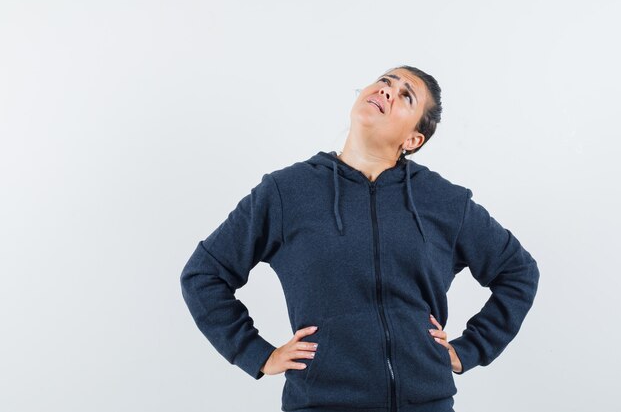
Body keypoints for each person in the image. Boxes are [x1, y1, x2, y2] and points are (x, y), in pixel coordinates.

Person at [180, 65, 540, 412]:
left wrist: (471, 349)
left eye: (405, 96)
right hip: (320, 402)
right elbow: (204, 275)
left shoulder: (444, 201)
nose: (387, 90)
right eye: (385, 81)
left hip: (424, 403)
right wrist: (256, 354)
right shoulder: (286, 192)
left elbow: (518, 272)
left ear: (413, 139)